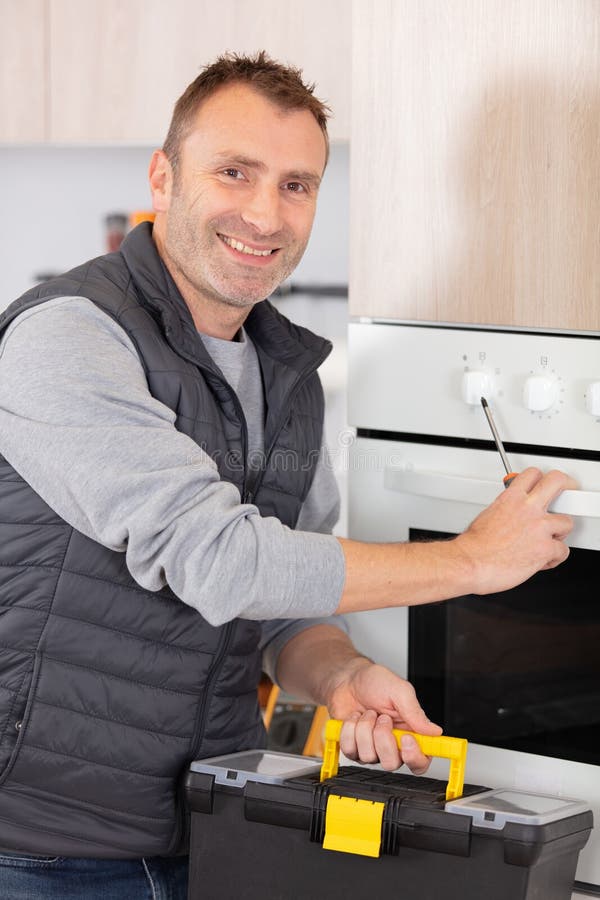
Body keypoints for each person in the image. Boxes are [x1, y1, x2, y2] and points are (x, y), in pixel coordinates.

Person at [0, 51, 574, 899]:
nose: (265, 213)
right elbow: (220, 560)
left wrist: (338, 672)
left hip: (218, 824)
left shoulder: (288, 371)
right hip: (38, 847)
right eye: (235, 172)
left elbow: (283, 605)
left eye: (297, 185)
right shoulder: (68, 339)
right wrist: (475, 560)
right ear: (163, 177)